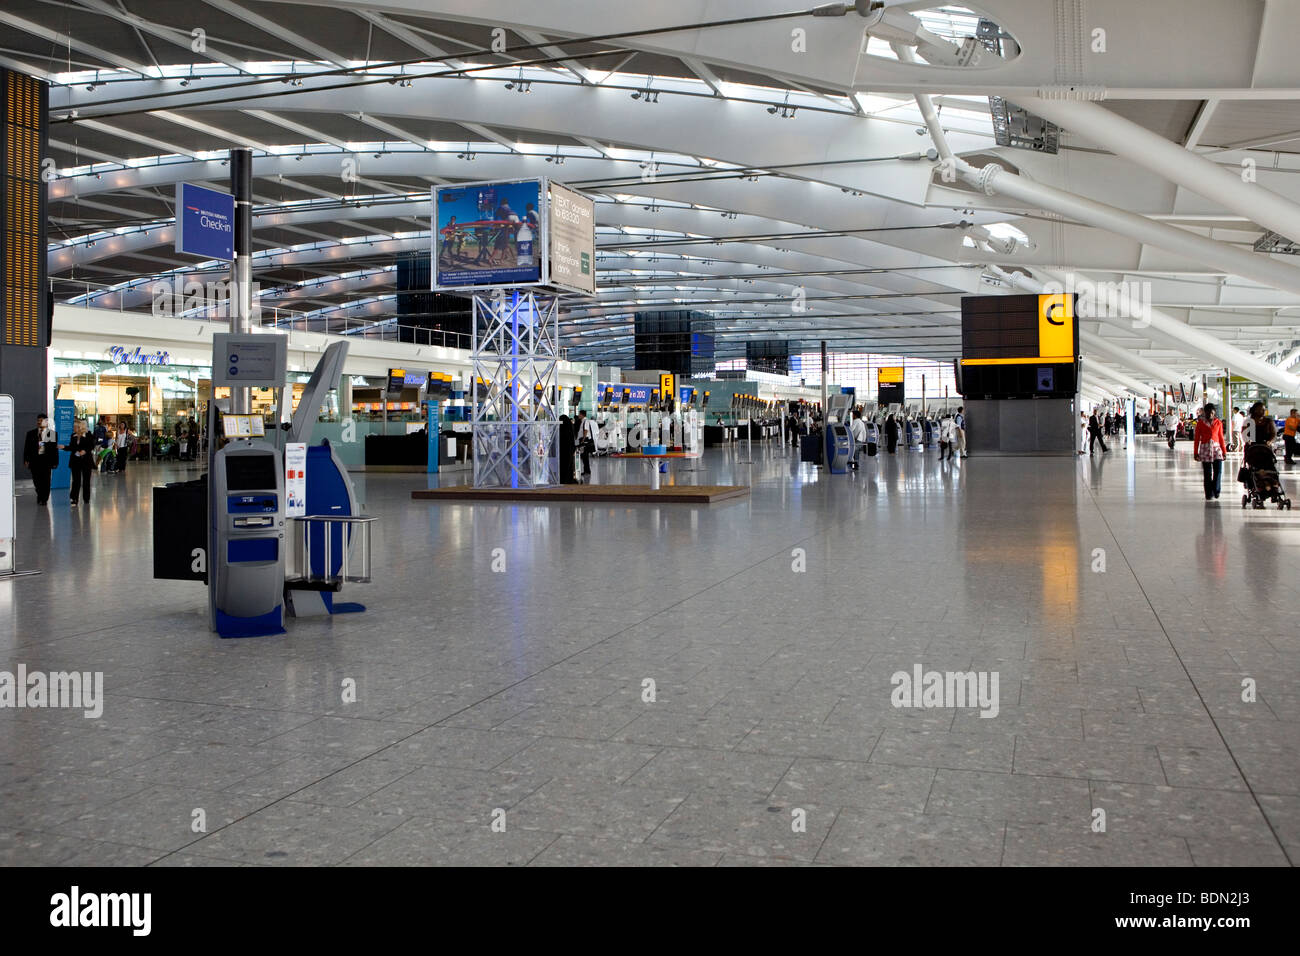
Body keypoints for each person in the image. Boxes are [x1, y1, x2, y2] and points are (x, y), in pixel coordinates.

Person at [1193, 403, 1228, 501]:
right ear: (1205, 412)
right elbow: (1196, 439)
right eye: (1208, 413)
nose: (1210, 415)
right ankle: (1208, 493)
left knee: (1218, 471)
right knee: (1207, 473)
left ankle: (1216, 490)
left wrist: (1224, 452)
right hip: (1205, 449)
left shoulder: (1218, 423)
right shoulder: (1200, 423)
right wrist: (1195, 453)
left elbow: (1221, 438)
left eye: (1212, 413)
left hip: (1217, 449)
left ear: (1214, 413)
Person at [22, 413, 57, 506]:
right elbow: (27, 448)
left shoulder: (51, 434)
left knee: (46, 480)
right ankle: (40, 494)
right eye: (38, 420)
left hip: (46, 461)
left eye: (41, 420)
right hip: (34, 461)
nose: (39, 422)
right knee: (36, 480)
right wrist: (26, 459)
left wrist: (55, 462)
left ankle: (44, 498)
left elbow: (54, 449)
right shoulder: (31, 433)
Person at [62, 419, 95, 507]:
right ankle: (74, 498)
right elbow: (72, 447)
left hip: (86, 461)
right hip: (75, 461)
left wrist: (84, 451)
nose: (73, 428)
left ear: (80, 427)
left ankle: (86, 498)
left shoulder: (88, 435)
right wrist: (64, 447)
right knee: (76, 480)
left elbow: (91, 445)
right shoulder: (73, 436)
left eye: (75, 427)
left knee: (86, 480)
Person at [576, 409, 597, 478]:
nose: (578, 415)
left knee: (584, 456)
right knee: (584, 456)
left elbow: (586, 430)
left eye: (579, 414)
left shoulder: (585, 421)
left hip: (584, 441)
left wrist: (583, 440)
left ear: (582, 415)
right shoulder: (583, 421)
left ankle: (587, 471)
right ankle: (586, 470)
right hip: (583, 440)